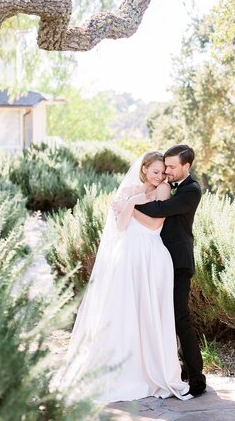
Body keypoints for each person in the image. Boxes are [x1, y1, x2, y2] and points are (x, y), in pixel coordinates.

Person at [59, 151, 190, 403]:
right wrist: (129, 203)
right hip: (127, 256)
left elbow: (154, 225)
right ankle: (119, 370)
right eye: (155, 171)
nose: (160, 176)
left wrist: (130, 205)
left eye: (163, 172)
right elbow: (120, 226)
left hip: (150, 255)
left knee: (148, 312)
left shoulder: (163, 191)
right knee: (122, 312)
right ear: (143, 170)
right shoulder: (129, 188)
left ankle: (150, 370)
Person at [136, 144, 206, 397]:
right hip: (158, 261)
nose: (167, 170)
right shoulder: (167, 186)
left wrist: (129, 203)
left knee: (179, 318)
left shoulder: (191, 190)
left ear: (186, 166)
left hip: (178, 263)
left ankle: (197, 377)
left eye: (172, 166)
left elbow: (161, 210)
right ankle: (175, 369)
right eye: (165, 165)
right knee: (161, 318)